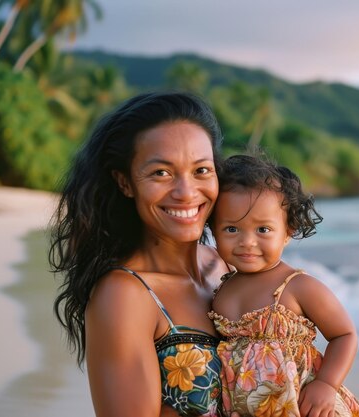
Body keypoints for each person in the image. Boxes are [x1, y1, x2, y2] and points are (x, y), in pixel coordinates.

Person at [49, 92, 230, 417]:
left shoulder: (224, 265)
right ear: (125, 182)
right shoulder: (124, 295)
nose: (186, 192)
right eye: (161, 172)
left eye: (201, 170)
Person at [208, 154, 359, 417]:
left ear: (288, 232)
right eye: (231, 229)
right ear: (214, 230)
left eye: (263, 230)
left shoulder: (298, 286)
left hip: (304, 405)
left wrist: (327, 383)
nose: (247, 242)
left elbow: (344, 335)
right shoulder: (222, 287)